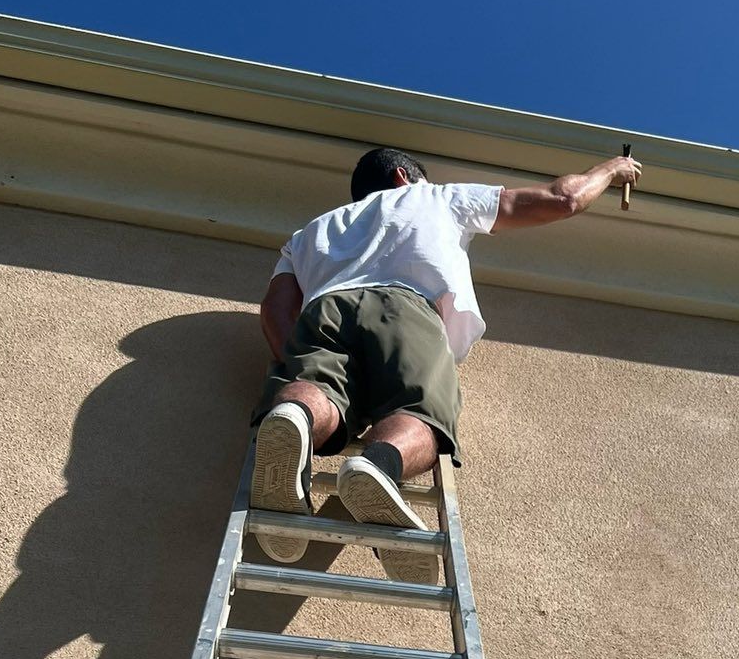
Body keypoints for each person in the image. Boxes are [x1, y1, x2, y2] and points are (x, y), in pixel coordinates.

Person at [253, 144, 643, 571]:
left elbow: (275, 309)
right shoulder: (436, 198)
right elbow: (562, 198)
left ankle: (296, 417)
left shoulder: (310, 233)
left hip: (324, 308)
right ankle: (378, 465)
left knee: (316, 387)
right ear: (404, 176)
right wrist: (611, 169)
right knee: (420, 410)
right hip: (406, 307)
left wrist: (298, 362)